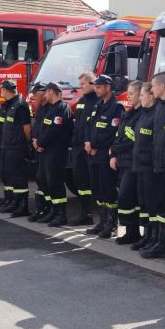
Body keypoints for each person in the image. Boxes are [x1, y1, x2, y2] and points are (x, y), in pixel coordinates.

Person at [141, 72, 165, 260]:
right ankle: (162, 242)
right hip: (158, 166)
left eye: (154, 86)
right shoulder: (159, 106)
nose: (152, 90)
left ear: (162, 87)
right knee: (161, 206)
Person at [84, 74, 125, 239]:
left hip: (105, 154)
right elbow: (89, 125)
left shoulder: (117, 107)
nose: (96, 89)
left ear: (108, 87)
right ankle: (102, 221)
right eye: (95, 86)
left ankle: (112, 224)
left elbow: (113, 133)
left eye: (99, 87)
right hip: (93, 154)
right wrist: (88, 142)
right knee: (97, 188)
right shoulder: (97, 105)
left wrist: (95, 145)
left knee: (108, 189)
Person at [35, 83, 74, 227]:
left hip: (56, 151)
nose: (45, 95)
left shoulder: (62, 108)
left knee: (55, 182)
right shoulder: (51, 108)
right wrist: (38, 142)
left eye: (46, 92)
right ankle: (53, 210)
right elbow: (43, 127)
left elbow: (53, 131)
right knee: (46, 181)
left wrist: (40, 142)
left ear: (52, 92)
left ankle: (61, 214)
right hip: (46, 150)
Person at [110, 80, 143, 244]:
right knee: (127, 198)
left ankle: (134, 232)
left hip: (132, 162)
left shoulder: (142, 114)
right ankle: (132, 232)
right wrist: (113, 154)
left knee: (126, 196)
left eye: (131, 93)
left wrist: (115, 149)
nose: (128, 96)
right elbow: (119, 134)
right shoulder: (128, 113)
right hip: (123, 160)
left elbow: (132, 139)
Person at [0, 80, 33, 216]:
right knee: (9, 175)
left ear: (6, 90)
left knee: (18, 177)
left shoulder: (20, 105)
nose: (0, 91)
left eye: (2, 89)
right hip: (7, 146)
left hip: (16, 147)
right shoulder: (9, 104)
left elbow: (27, 128)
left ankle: (22, 206)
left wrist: (27, 144)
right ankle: (13, 202)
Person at [68, 72, 100, 226]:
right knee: (80, 182)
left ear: (92, 84)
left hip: (91, 149)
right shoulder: (81, 101)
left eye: (82, 84)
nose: (80, 87)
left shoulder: (98, 101)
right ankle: (85, 213)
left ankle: (102, 218)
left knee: (95, 182)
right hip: (78, 148)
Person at [131, 83, 159, 250]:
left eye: (142, 95)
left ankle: (155, 237)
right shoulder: (143, 114)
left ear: (151, 96)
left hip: (150, 168)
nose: (140, 98)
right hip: (140, 166)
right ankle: (146, 235)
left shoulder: (155, 115)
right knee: (143, 203)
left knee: (152, 203)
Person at [28, 83, 52, 222]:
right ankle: (41, 208)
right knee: (40, 180)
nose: (33, 96)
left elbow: (49, 131)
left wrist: (39, 143)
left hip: (46, 149)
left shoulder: (50, 108)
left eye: (36, 93)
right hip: (39, 149)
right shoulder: (41, 108)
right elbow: (37, 128)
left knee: (47, 181)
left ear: (43, 93)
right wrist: (34, 142)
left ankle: (47, 209)